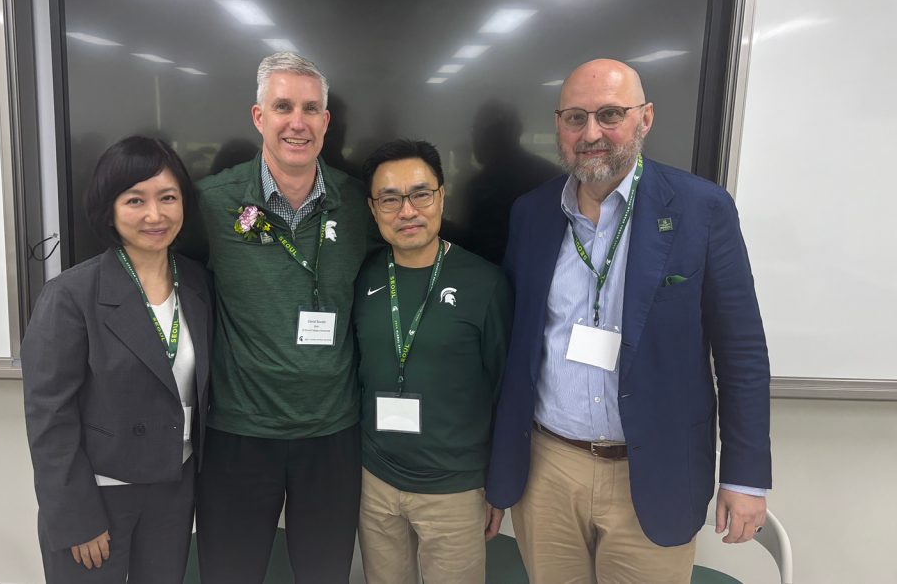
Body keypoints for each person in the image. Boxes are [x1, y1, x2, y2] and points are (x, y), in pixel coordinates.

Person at [486, 58, 772, 583]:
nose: (591, 133)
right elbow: (513, 343)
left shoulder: (700, 209)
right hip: (547, 467)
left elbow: (742, 354)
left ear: (645, 119)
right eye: (575, 117)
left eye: (609, 114)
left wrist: (746, 477)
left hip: (653, 470)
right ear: (558, 125)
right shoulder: (531, 212)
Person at [191, 52, 373, 583]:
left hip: (332, 434)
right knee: (230, 573)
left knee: (324, 574)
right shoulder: (213, 202)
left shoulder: (359, 203)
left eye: (311, 109)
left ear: (326, 122)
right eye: (283, 106)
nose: (298, 121)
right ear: (258, 117)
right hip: (239, 434)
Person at [21, 136, 211, 583]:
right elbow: (49, 417)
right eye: (135, 200)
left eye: (168, 197)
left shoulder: (198, 284)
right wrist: (75, 516)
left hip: (173, 489)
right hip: (99, 495)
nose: (154, 215)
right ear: (109, 208)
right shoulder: (71, 295)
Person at [353, 140, 512, 584]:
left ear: (442, 196)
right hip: (375, 482)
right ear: (373, 207)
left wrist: (496, 485)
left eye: (420, 193)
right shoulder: (363, 276)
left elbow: (505, 388)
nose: (407, 211)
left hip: (454, 489)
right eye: (390, 198)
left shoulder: (485, 283)